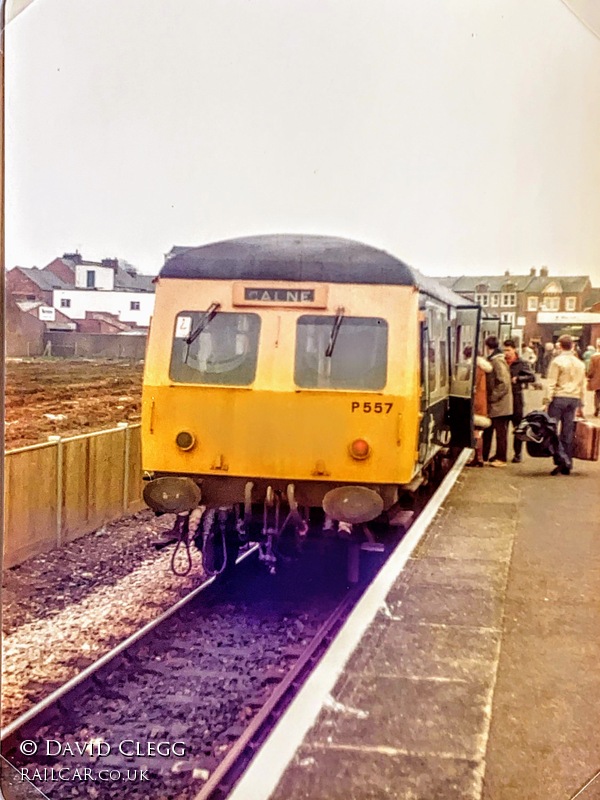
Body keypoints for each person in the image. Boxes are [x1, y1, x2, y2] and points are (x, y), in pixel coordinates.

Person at [545, 334, 586, 475]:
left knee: (552, 430)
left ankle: (560, 460)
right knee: (568, 432)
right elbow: (582, 385)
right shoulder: (580, 364)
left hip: (558, 397)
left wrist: (546, 401)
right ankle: (568, 462)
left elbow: (551, 382)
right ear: (573, 346)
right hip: (573, 398)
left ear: (560, 346)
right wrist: (581, 404)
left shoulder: (557, 361)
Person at [482, 335, 513, 467]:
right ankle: (486, 456)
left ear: (487, 347)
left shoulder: (497, 361)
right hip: (499, 403)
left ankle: (501, 458)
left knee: (500, 432)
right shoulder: (497, 360)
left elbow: (503, 383)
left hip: (500, 404)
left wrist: (491, 398)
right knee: (491, 430)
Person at [504, 339, 535, 462]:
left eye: (508, 350)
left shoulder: (521, 363)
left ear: (514, 349)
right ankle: (502, 455)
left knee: (518, 427)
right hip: (504, 399)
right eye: (504, 350)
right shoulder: (502, 362)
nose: (506, 353)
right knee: (503, 428)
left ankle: (517, 454)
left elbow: (531, 377)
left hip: (516, 398)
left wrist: (519, 378)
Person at [464, 345, 493, 466]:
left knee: (476, 430)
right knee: (478, 431)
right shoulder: (484, 367)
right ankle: (479, 457)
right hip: (482, 400)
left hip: (475, 401)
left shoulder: (471, 367)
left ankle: (478, 457)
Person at [587, 349, 600, 417]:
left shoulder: (594, 357)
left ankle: (597, 407)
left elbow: (591, 369)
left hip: (597, 379)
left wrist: (589, 376)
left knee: (597, 394)